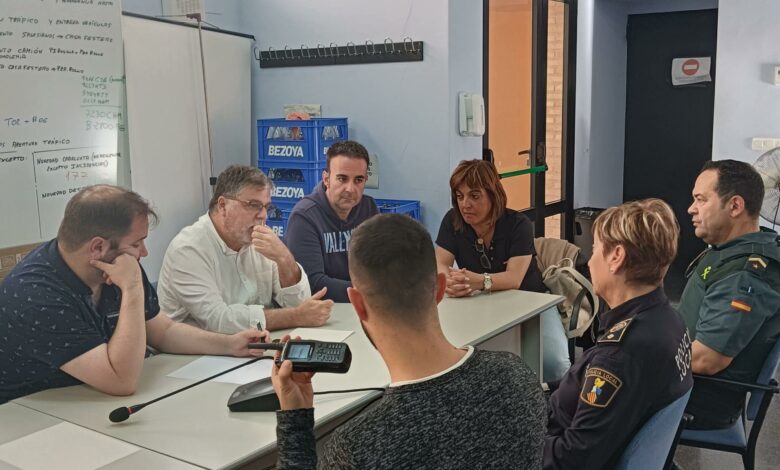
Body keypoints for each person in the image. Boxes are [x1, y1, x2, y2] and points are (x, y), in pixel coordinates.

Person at [272, 214, 547, 469]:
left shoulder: (358, 447)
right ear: (439, 288)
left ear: (357, 303)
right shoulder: (518, 377)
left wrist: (295, 422)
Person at [0, 185, 269, 404]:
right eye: (137, 243)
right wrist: (131, 289)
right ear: (98, 247)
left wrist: (230, 345)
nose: (144, 252)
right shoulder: (35, 296)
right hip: (32, 417)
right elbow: (120, 381)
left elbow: (162, 331)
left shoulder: (114, 264)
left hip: (92, 400)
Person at [544, 199, 693, 469]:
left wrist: (512, 441)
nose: (590, 261)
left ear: (616, 257)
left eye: (594, 249)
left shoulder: (619, 356)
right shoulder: (669, 321)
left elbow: (573, 459)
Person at [434, 158, 569, 381]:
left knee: (554, 364)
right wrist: (450, 281)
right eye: (460, 196)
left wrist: (477, 281)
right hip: (481, 303)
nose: (465, 204)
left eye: (474, 196)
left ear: (493, 195)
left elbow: (514, 279)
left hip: (531, 300)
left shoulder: (518, 224)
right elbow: (440, 264)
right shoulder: (453, 221)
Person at [157, 166, 333, 334]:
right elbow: (218, 321)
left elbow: (301, 305)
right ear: (223, 205)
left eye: (266, 207)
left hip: (253, 344)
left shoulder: (259, 239)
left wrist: (284, 258)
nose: (263, 215)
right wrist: (293, 317)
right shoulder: (188, 249)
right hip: (192, 352)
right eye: (253, 205)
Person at [680, 160, 780, 430]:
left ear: (735, 206)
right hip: (686, 383)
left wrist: (640, 357)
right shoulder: (735, 249)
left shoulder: (745, 275)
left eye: (701, 199)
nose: (691, 209)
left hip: (698, 399)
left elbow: (706, 360)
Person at [285, 140, 379, 303]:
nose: (350, 189)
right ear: (326, 179)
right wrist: (372, 293)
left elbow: (380, 264)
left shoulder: (368, 207)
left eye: (358, 180)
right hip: (325, 308)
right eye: (342, 179)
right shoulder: (304, 217)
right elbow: (314, 284)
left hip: (362, 303)